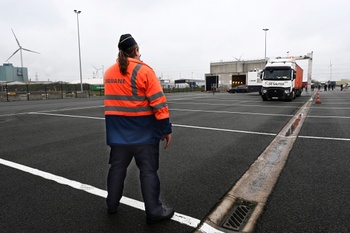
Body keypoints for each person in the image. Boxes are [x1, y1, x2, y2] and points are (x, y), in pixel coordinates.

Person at [104, 34, 174, 224]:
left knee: (117, 169)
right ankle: (154, 211)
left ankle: (111, 205)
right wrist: (166, 129)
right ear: (135, 50)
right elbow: (159, 104)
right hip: (144, 134)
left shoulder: (109, 73)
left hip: (118, 134)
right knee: (148, 171)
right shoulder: (144, 71)